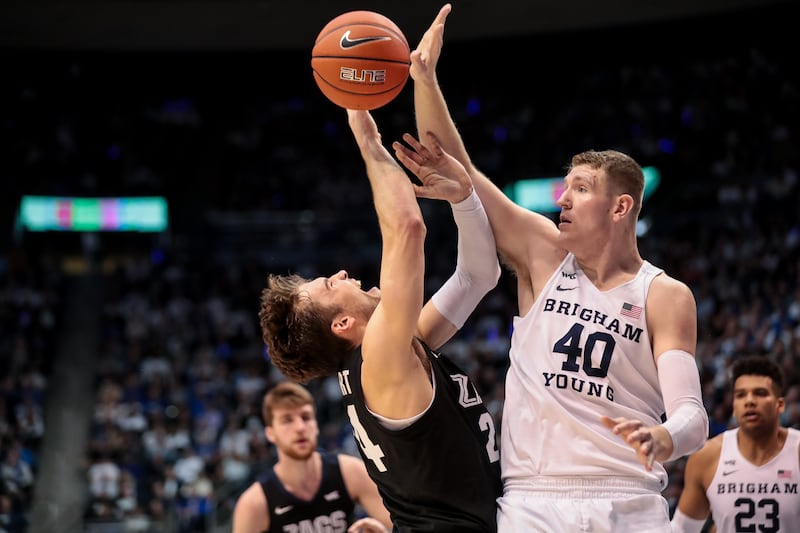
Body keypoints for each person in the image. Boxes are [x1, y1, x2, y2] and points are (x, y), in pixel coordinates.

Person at [406, 4, 709, 531]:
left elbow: (693, 415)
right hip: (533, 500)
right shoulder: (543, 253)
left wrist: (665, 437)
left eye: (581, 190)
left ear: (621, 208)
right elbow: (461, 171)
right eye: (565, 189)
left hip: (630, 498)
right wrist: (425, 82)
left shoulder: (664, 294)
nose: (563, 200)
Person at [258, 109, 503, 531]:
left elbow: (479, 275)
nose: (340, 274)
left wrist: (464, 198)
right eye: (330, 286)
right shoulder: (382, 357)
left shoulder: (396, 353)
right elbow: (407, 226)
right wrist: (367, 139)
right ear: (342, 325)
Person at [232, 381, 391, 533]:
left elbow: (399, 524)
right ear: (270, 433)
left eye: (306, 417)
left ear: (316, 425)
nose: (300, 427)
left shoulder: (350, 472)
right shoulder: (254, 504)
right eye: (287, 420)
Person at [671, 355, 800, 533]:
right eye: (741, 395)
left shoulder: (797, 451)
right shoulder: (707, 457)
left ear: (780, 405)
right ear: (734, 406)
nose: (749, 401)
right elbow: (682, 529)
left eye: (760, 393)